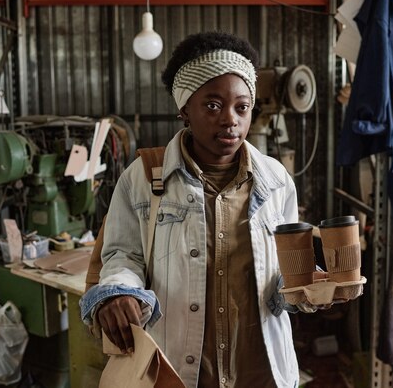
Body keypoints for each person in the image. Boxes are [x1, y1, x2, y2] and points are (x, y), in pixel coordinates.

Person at [80, 31, 302, 388]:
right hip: (179, 372)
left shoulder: (276, 180)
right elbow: (123, 257)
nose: (230, 119)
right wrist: (118, 293)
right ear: (184, 109)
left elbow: (284, 272)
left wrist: (307, 288)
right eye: (213, 105)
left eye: (241, 107)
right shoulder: (142, 180)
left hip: (260, 372)